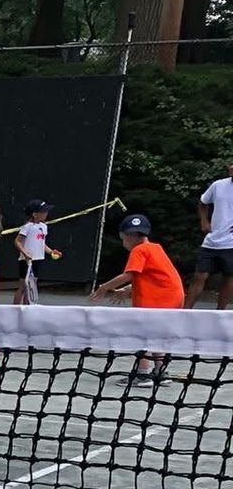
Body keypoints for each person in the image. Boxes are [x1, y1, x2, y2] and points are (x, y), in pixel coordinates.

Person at [93, 212, 186, 385]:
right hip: (173, 296)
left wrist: (104, 287)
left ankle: (143, 374)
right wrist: (127, 290)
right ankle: (161, 372)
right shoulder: (155, 248)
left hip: (157, 299)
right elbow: (153, 277)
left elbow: (129, 274)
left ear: (127, 236)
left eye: (124, 237)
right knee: (157, 334)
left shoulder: (139, 250)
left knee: (143, 334)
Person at [189, 160, 233, 310]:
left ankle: (220, 313)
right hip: (212, 239)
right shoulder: (218, 185)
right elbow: (203, 202)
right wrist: (204, 221)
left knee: (229, 277)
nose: (232, 168)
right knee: (199, 275)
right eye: (231, 165)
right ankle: (185, 310)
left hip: (231, 242)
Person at [13, 199, 57, 306]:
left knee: (32, 285)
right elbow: (17, 241)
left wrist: (51, 251)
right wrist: (25, 253)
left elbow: (42, 244)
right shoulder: (27, 227)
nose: (46, 213)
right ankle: (14, 309)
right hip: (26, 261)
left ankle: (27, 308)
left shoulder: (44, 227)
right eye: (43, 211)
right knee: (23, 287)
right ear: (35, 214)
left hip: (38, 260)